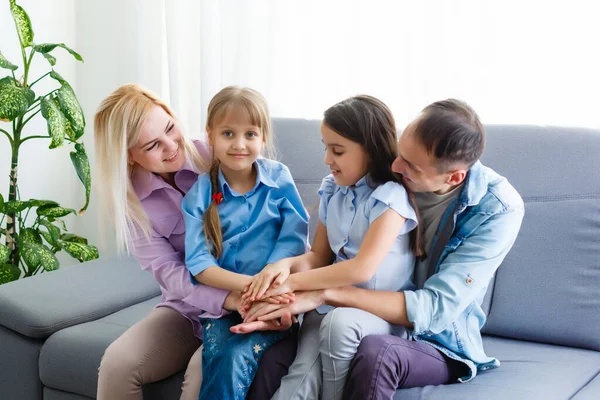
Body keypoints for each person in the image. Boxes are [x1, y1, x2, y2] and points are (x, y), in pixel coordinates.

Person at [240, 99, 525, 400]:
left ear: (453, 177)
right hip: (359, 311)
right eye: (400, 152)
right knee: (274, 357)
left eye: (410, 166)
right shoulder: (377, 182)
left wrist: (322, 293)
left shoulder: (497, 209)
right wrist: (284, 281)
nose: (394, 165)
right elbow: (326, 254)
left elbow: (434, 309)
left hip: (435, 339)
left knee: (376, 353)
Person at [93, 84, 295, 400]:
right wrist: (231, 298)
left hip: (247, 300)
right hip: (187, 307)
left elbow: (280, 223)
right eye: (152, 145)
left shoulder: (217, 153)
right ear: (129, 156)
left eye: (171, 129)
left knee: (203, 372)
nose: (171, 146)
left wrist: (264, 291)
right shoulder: (133, 203)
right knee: (118, 364)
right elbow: (170, 273)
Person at [238, 95, 422, 400]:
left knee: (339, 324)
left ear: (371, 149)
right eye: (326, 148)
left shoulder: (391, 198)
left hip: (375, 311)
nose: (327, 159)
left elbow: (360, 268)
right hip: (326, 304)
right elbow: (318, 256)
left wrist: (293, 285)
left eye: (337, 150)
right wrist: (281, 269)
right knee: (299, 377)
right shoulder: (332, 189)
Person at [181, 86, 309, 399]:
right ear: (210, 136)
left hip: (276, 299)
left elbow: (293, 240)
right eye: (228, 133)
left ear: (263, 137)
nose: (239, 144)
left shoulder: (279, 178)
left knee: (238, 355)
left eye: (250, 134)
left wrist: (267, 289)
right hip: (224, 306)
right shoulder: (199, 193)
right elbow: (199, 265)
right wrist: (250, 287)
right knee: (221, 358)